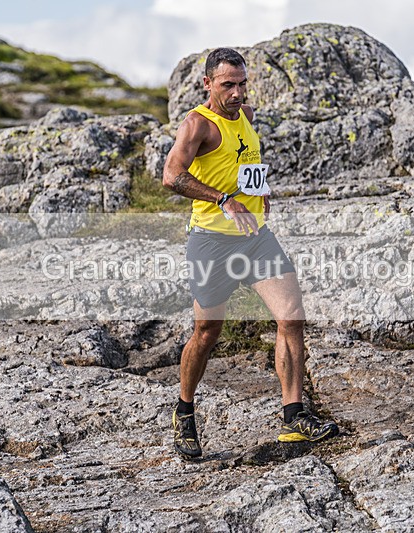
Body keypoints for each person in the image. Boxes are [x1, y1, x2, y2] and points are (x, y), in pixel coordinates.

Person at [162, 47, 339, 459]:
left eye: (242, 83)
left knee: (291, 316)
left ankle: (294, 415)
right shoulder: (197, 125)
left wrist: (258, 193)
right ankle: (184, 411)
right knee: (207, 333)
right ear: (207, 83)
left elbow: (245, 163)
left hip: (255, 236)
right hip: (211, 241)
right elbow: (172, 176)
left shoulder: (248, 116)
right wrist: (223, 198)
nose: (238, 93)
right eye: (228, 85)